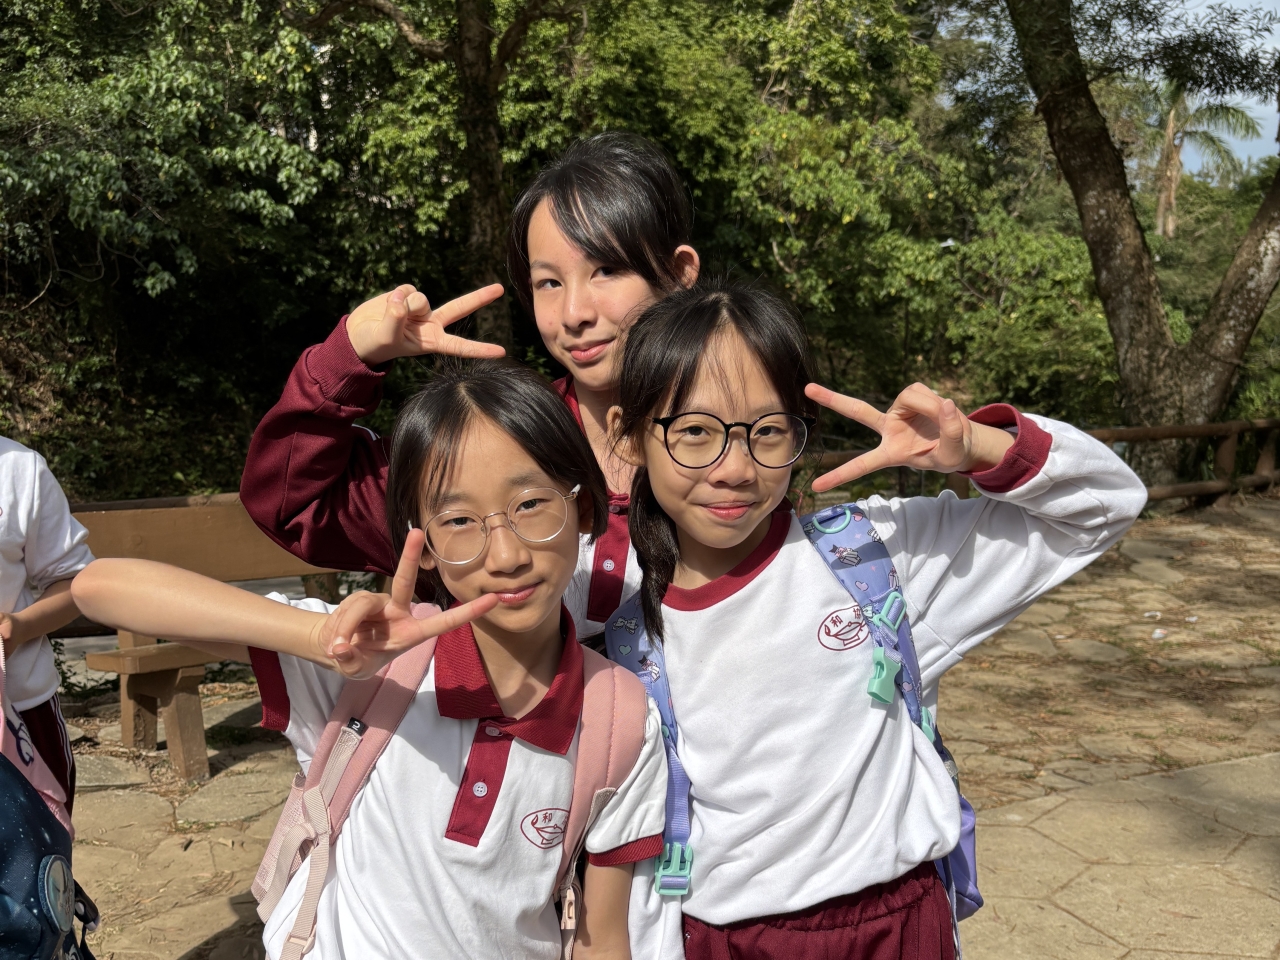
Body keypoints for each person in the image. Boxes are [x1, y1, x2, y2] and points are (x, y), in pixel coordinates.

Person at [604, 281, 1147, 960]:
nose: (735, 468)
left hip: (899, 928)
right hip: (731, 940)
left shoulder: (871, 557)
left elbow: (1107, 502)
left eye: (767, 431)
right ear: (629, 435)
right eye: (694, 432)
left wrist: (974, 447)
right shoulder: (630, 642)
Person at [72, 361, 669, 960]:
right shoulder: (371, 668)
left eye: (532, 503)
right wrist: (317, 638)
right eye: (459, 521)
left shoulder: (619, 718)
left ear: (583, 509)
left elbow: (601, 939)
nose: (506, 554)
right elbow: (100, 587)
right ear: (422, 542)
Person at [240, 132, 700, 641]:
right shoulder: (484, 444)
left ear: (679, 273)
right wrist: (348, 357)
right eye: (549, 282)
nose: (573, 314)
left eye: (607, 270)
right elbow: (291, 503)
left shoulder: (740, 451)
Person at [0, 436, 94, 815]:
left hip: (20, 714)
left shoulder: (19, 469)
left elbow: (75, 581)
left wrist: (20, 627)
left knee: (38, 848)